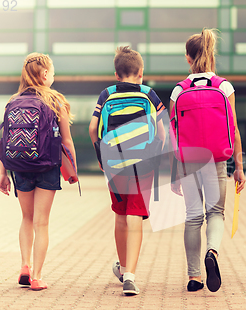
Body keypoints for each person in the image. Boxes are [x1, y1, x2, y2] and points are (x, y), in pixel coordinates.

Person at [169, 28, 246, 292]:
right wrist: (240, 168)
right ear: (211, 55)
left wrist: (173, 173)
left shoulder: (179, 91)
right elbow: (233, 129)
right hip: (217, 159)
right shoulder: (224, 87)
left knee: (192, 217)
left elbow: (173, 135)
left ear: (188, 59)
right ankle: (212, 252)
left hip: (189, 160)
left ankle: (194, 277)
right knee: (216, 213)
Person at [88, 46, 166, 295]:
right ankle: (130, 275)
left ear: (116, 74)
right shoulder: (149, 94)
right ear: (140, 72)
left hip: (114, 162)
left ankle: (122, 269)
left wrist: (101, 155)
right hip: (142, 162)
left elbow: (93, 128)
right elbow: (163, 131)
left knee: (120, 213)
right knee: (135, 214)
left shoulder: (106, 94)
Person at [0, 53, 77, 291]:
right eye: (52, 72)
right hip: (47, 167)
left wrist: (3, 174)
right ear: (44, 75)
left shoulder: (13, 101)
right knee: (42, 223)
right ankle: (38, 277)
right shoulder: (56, 101)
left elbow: (4, 141)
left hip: (19, 167)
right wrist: (72, 171)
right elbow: (67, 141)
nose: (53, 76)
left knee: (27, 218)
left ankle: (25, 265)